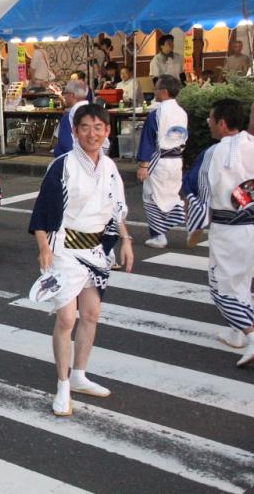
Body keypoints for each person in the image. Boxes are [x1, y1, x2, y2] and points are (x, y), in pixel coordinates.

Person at [30, 103, 134, 416]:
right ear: (75, 131)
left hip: (96, 251)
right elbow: (44, 212)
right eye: (85, 127)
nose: (92, 133)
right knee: (66, 318)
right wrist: (44, 247)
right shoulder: (63, 165)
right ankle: (62, 385)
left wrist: (126, 240)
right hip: (64, 249)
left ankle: (79, 375)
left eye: (98, 127)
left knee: (91, 314)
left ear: (106, 132)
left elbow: (116, 209)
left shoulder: (110, 167)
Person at [182, 98, 254, 362]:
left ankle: (251, 335)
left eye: (211, 119)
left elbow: (197, 191)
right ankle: (237, 334)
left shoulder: (213, 153)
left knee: (221, 289)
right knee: (246, 283)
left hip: (228, 229)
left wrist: (195, 227)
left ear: (222, 124)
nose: (209, 123)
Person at [137, 74, 188, 249]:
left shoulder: (157, 114)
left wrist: (144, 164)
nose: (154, 92)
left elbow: (149, 140)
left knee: (152, 196)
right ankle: (176, 219)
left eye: (156, 88)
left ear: (164, 92)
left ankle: (159, 234)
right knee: (170, 195)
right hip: (176, 160)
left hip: (159, 161)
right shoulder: (182, 112)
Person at [53, 80, 90, 157]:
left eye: (65, 93)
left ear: (72, 95)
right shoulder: (96, 112)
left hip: (72, 161)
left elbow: (64, 144)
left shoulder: (69, 116)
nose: (64, 96)